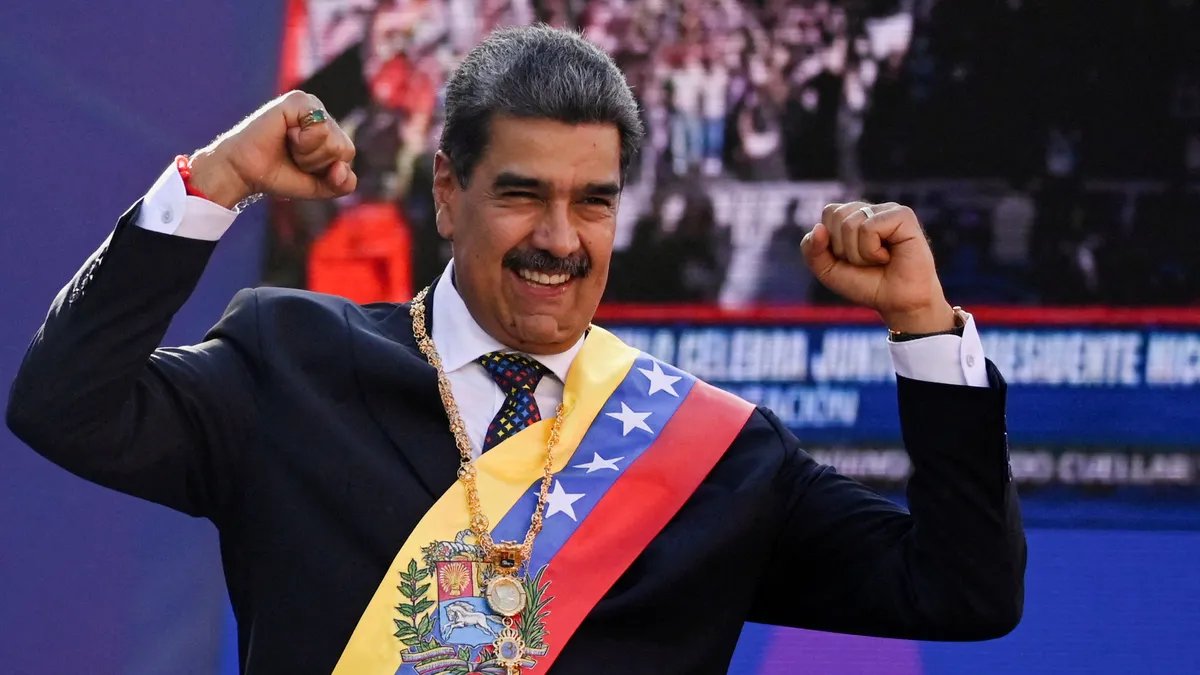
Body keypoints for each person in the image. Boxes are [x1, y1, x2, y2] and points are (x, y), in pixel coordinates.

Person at [7, 25, 1024, 675]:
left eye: (593, 201)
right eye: (523, 193)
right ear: (449, 192)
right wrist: (217, 181)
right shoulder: (291, 361)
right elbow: (63, 405)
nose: (560, 238)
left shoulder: (715, 453)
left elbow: (964, 593)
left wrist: (924, 331)